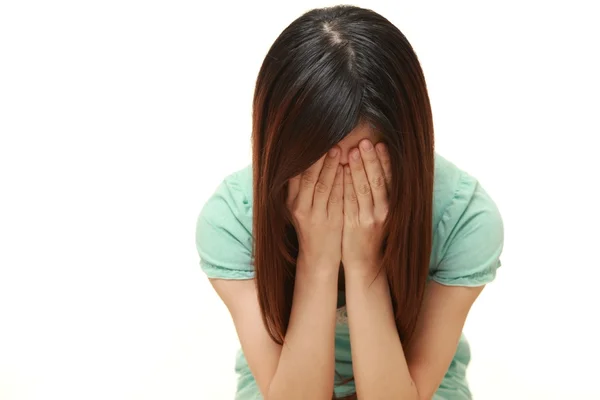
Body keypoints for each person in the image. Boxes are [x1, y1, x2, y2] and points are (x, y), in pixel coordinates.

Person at [195, 5, 504, 400]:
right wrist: (317, 262)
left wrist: (364, 264)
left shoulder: (463, 218)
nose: (342, 189)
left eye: (365, 164)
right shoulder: (232, 219)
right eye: (318, 168)